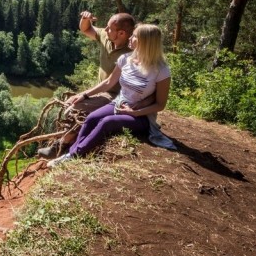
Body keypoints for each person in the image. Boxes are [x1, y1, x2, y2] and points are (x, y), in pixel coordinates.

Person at [47, 24, 171, 167]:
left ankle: (74, 156)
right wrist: (84, 95)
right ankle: (71, 152)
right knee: (92, 118)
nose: (130, 38)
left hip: (141, 116)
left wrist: (136, 112)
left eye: (135, 36)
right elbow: (108, 83)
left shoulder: (161, 70)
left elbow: (160, 105)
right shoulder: (125, 59)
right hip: (118, 104)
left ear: (145, 42)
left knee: (107, 122)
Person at [37, 11, 135, 159]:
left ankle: (61, 145)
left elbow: (110, 83)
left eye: (109, 28)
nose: (105, 30)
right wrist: (85, 19)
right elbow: (86, 29)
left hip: (117, 95)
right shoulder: (107, 37)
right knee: (72, 106)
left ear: (121, 33)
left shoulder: (131, 53)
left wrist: (83, 95)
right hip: (102, 90)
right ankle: (68, 141)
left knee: (77, 107)